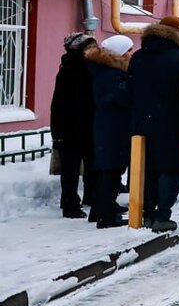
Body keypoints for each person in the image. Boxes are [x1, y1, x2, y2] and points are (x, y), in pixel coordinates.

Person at [129, 16, 179, 232]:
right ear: (178, 33)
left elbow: (131, 89)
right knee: (171, 169)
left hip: (141, 122)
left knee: (146, 169)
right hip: (172, 123)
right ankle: (162, 215)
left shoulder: (138, 57)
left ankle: (146, 213)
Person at [86, 35, 134, 229]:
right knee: (111, 171)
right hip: (113, 128)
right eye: (129, 51)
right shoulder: (112, 76)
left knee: (109, 170)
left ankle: (100, 209)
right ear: (120, 53)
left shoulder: (104, 72)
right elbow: (122, 99)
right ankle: (106, 217)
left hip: (108, 126)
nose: (132, 54)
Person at [49, 33, 96, 219]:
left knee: (87, 165)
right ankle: (70, 204)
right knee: (72, 169)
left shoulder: (77, 66)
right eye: (91, 46)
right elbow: (61, 102)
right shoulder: (75, 69)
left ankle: (86, 198)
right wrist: (59, 130)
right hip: (73, 126)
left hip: (80, 125)